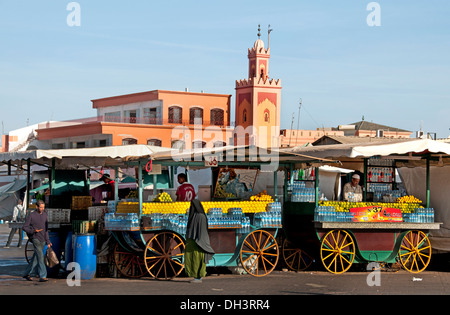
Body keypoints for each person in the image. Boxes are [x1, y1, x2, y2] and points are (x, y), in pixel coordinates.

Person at [184, 200, 215, 283]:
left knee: (197, 260)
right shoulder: (199, 215)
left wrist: (198, 240)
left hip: (198, 242)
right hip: (195, 241)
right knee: (191, 258)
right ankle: (196, 276)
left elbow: (201, 231)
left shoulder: (199, 216)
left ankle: (198, 277)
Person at [22, 200, 52, 282]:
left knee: (35, 257)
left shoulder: (45, 215)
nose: (42, 209)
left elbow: (46, 230)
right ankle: (43, 275)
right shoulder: (31, 215)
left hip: (43, 239)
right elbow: (24, 227)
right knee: (40, 257)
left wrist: (48, 241)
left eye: (43, 207)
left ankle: (26, 273)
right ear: (36, 207)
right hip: (35, 238)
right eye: (41, 207)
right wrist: (33, 231)